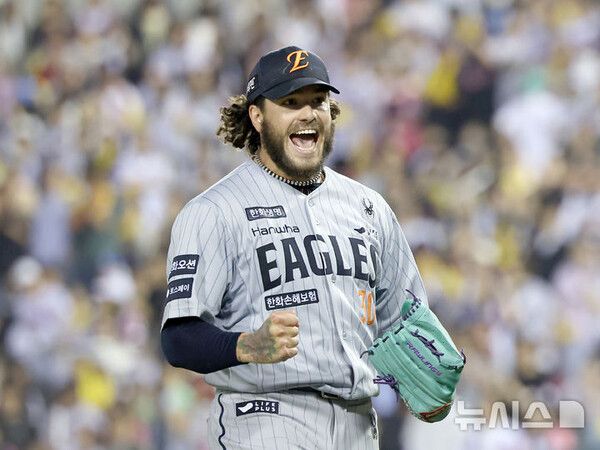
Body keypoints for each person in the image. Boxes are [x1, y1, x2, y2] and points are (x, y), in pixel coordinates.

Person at [160, 45, 429, 449]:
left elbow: (406, 319)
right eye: (290, 103)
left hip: (358, 422)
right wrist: (245, 345)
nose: (307, 113)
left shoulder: (368, 207)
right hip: (267, 416)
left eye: (317, 101)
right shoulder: (214, 211)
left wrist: (423, 379)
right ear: (257, 116)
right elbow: (179, 338)